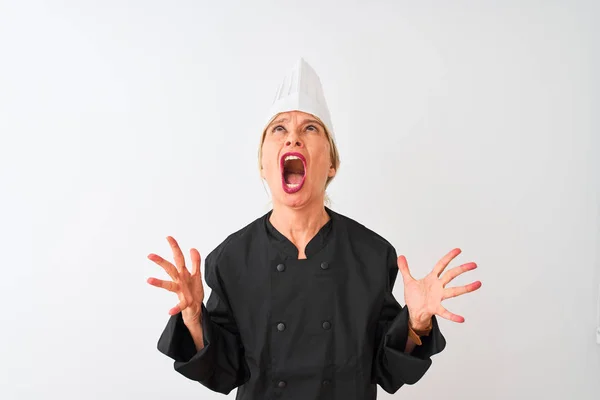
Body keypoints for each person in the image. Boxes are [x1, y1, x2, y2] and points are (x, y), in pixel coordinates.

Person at [147, 58, 482, 400]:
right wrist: (192, 316)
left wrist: (417, 322)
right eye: (279, 129)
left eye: (310, 128)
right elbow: (225, 371)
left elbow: (387, 369)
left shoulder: (371, 254)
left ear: (332, 164)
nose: (292, 137)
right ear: (263, 163)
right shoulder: (231, 258)